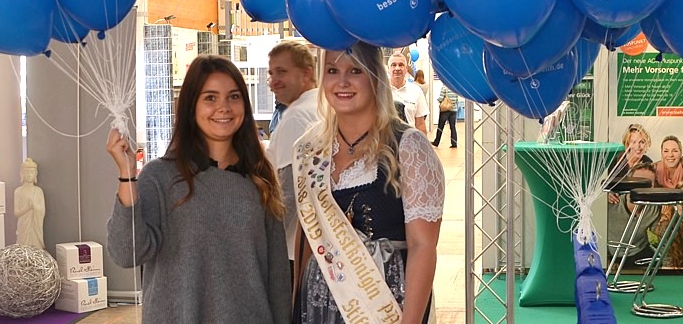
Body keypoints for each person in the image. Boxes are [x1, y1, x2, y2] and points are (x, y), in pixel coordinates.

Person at [106, 55, 291, 324]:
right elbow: (126, 253)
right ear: (191, 106)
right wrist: (127, 176)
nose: (223, 107)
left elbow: (278, 278)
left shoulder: (260, 178)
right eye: (210, 98)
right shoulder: (160, 177)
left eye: (234, 96)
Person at [293, 42, 444, 324]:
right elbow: (307, 236)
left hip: (385, 304)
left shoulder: (408, 146)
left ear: (375, 76)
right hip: (319, 302)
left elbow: (422, 246)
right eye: (332, 71)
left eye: (355, 70)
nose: (342, 82)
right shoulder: (310, 148)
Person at [267, 41, 319, 273]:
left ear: (306, 73)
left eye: (282, 72)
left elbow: (289, 192)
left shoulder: (296, 117)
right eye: (271, 73)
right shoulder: (323, 105)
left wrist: (268, 242)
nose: (274, 81)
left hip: (294, 249)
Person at [606, 162, 659, 270]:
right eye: (638, 182)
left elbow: (659, 234)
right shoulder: (611, 203)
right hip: (611, 254)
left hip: (639, 252)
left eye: (647, 183)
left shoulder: (654, 208)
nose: (642, 188)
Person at [608, 123, 653, 205]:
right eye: (633, 142)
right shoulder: (617, 161)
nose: (638, 147)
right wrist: (609, 194)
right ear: (627, 144)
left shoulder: (648, 163)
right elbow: (606, 186)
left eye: (642, 142)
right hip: (618, 204)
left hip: (640, 205)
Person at [387, 52, 428, 134]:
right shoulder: (379, 90)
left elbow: (420, 125)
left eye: (401, 65)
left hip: (408, 139)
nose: (397, 68)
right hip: (385, 140)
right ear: (388, 69)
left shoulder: (416, 91)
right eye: (393, 65)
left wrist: (423, 141)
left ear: (406, 69)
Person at [14, 158, 46, 249]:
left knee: (36, 248)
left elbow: (42, 211)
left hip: (35, 226)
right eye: (27, 172)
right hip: (23, 226)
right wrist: (28, 207)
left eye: (32, 172)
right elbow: (16, 213)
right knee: (23, 248)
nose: (29, 175)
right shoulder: (18, 191)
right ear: (22, 174)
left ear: (35, 174)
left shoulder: (38, 191)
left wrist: (35, 207)